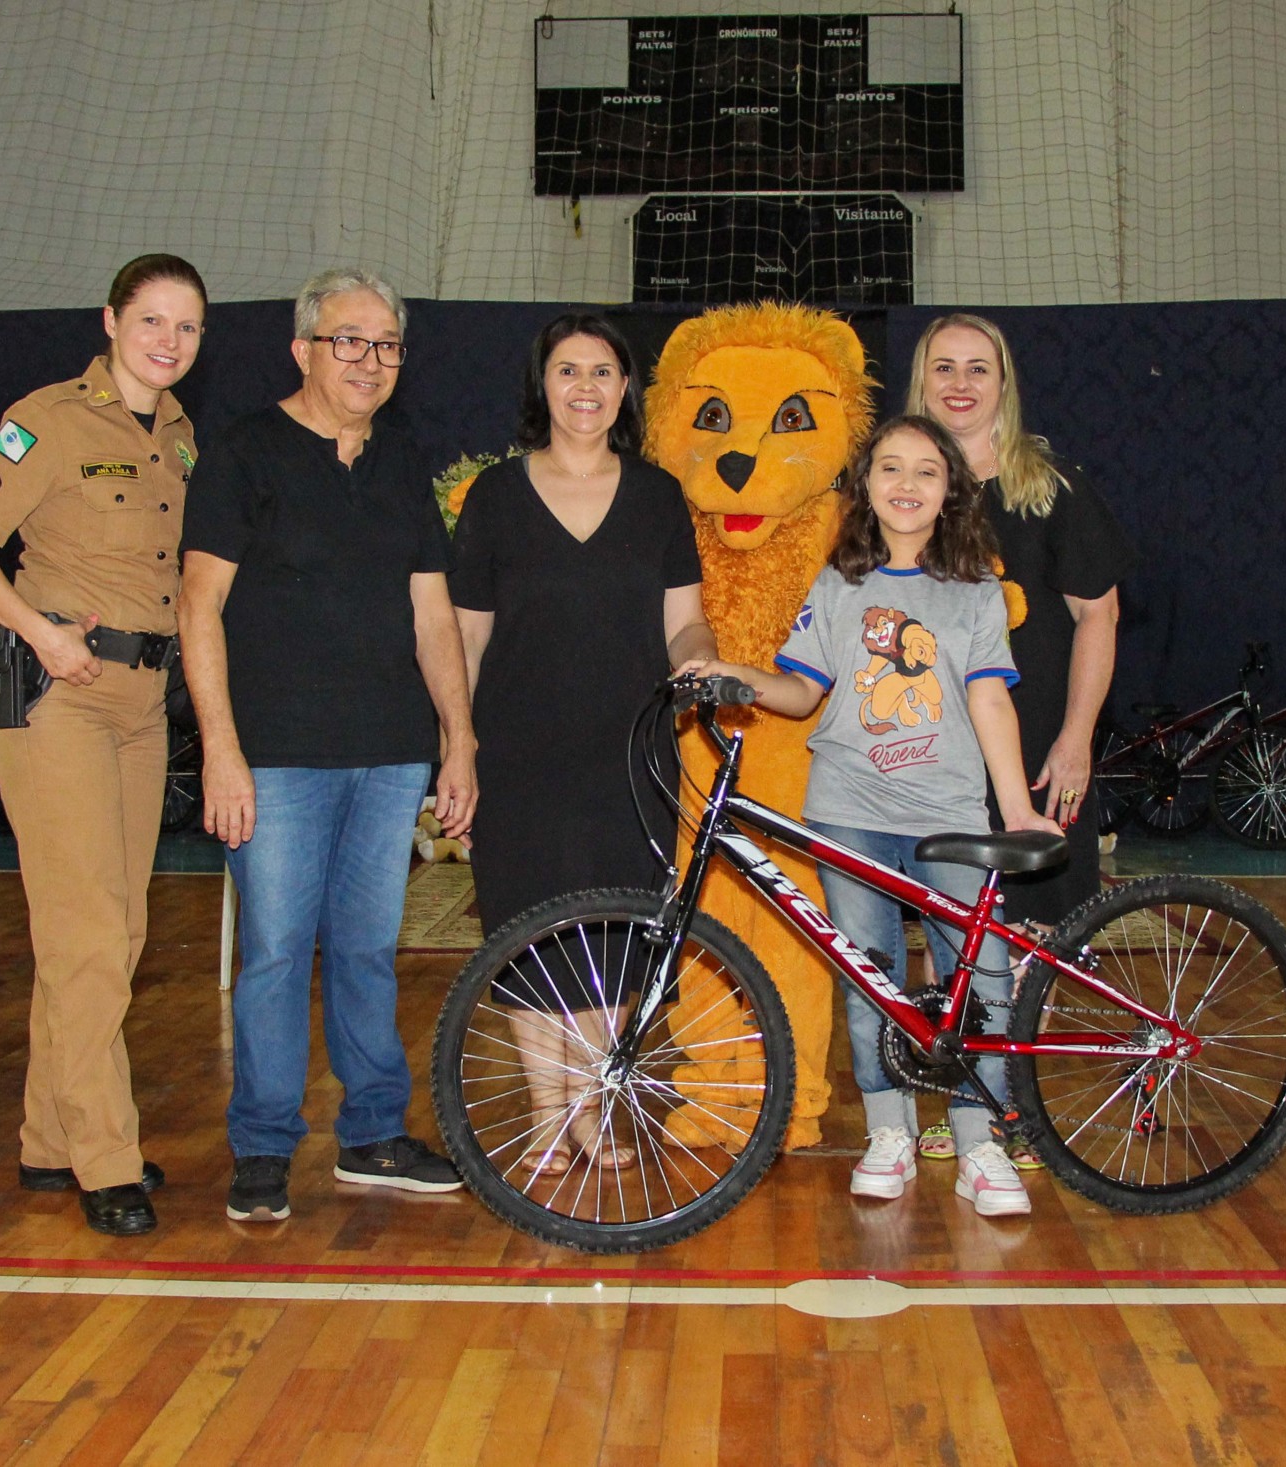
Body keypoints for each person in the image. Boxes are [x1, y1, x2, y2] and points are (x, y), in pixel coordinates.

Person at [682, 415, 1063, 1219]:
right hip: (850, 811)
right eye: (890, 467)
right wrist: (735, 675)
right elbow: (801, 692)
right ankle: (889, 1131)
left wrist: (1019, 808)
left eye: (927, 470)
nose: (907, 484)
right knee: (870, 978)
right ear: (865, 486)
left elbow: (990, 700)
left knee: (979, 977)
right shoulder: (839, 584)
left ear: (951, 490)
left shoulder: (976, 590)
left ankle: (979, 1142)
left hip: (950, 814)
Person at [181, 266, 474, 1224]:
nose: (369, 360)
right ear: (303, 348)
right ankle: (264, 1145)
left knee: (367, 950)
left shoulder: (401, 461)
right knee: (274, 952)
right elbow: (198, 608)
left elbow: (433, 615)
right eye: (349, 340)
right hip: (273, 757)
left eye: (386, 344)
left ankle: (373, 1134)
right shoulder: (243, 454)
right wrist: (220, 749)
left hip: (389, 755)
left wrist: (458, 740)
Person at [0, 253, 207, 1237]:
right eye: (152, 320)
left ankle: (49, 1135)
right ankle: (105, 1156)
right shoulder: (43, 420)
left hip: (141, 699)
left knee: (112, 929)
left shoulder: (179, 437)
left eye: (187, 326)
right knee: (88, 931)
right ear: (110, 321)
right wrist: (38, 632)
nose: (169, 340)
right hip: (55, 694)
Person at [450, 313, 714, 1176]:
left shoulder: (659, 496)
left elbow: (684, 620)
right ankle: (545, 1110)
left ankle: (594, 1106)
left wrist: (699, 658)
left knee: (616, 933)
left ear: (625, 388)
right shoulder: (494, 496)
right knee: (528, 928)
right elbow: (464, 637)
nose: (586, 387)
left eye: (602, 371)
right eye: (568, 370)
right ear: (543, 384)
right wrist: (457, 744)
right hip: (518, 752)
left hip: (631, 753)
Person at [909, 314, 1136, 1165]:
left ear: (1004, 383)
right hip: (930, 747)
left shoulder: (1050, 489)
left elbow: (1098, 617)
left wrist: (1076, 737)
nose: (961, 383)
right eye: (944, 367)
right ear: (921, 380)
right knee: (948, 933)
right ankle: (967, 1104)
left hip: (1035, 744)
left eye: (979, 367)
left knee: (1034, 932)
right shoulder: (901, 485)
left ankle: (1020, 1109)